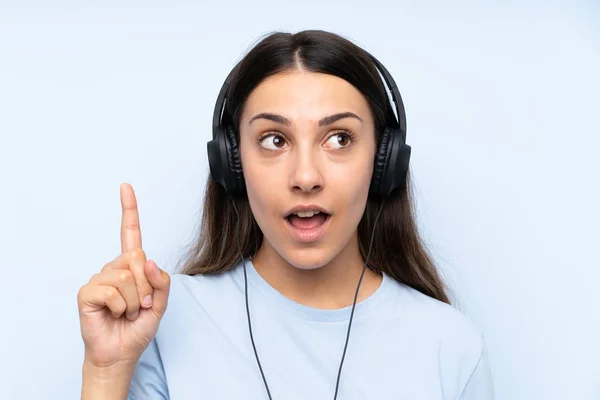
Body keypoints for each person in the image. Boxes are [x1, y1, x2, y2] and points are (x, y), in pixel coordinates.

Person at [77, 30, 495, 399]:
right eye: (274, 140)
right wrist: (105, 374)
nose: (306, 176)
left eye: (339, 138)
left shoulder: (450, 345)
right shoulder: (163, 323)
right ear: (232, 163)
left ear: (383, 162)